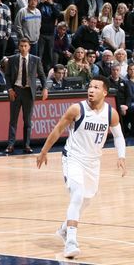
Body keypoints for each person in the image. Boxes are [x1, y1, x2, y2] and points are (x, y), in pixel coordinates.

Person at [37, 76, 126, 259]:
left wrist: (121, 156)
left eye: (96, 87)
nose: (91, 90)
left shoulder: (111, 113)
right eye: (90, 86)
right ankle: (70, 242)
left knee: (87, 198)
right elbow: (58, 129)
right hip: (73, 158)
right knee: (77, 194)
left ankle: (63, 229)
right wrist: (44, 151)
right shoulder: (77, 108)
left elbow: (118, 136)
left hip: (93, 162)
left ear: (105, 92)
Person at [5, 38, 49, 154]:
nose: (23, 48)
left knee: (28, 121)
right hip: (16, 91)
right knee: (13, 120)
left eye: (25, 46)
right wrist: (9, 89)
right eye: (21, 46)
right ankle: (10, 145)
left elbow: (42, 75)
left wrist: (45, 88)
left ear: (29, 47)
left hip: (29, 92)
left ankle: (27, 145)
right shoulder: (12, 59)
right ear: (18, 47)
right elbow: (8, 76)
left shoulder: (36, 60)